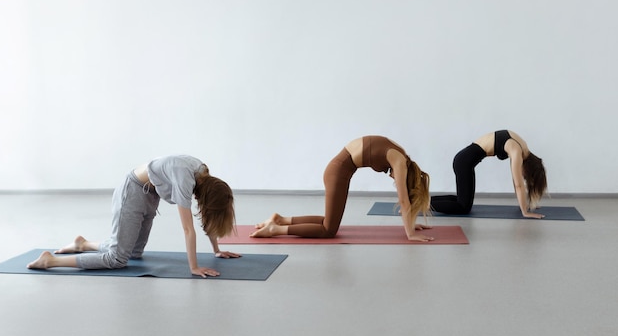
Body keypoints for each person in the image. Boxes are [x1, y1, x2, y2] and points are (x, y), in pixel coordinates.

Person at [27, 155, 240, 278]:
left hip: (150, 195)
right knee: (117, 259)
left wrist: (217, 250)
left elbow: (208, 212)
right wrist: (193, 267)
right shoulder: (186, 180)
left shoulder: (203, 173)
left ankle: (83, 244)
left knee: (135, 253)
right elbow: (187, 229)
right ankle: (50, 260)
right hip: (133, 192)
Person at [251, 136, 433, 241]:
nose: (392, 178)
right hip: (338, 173)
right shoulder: (400, 163)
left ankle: (281, 219)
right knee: (328, 230)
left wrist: (410, 223)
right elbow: (403, 200)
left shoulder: (400, 152)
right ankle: (275, 230)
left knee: (329, 220)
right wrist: (410, 234)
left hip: (338, 169)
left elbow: (405, 199)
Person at [430, 130, 547, 218]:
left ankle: (425, 200)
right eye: (527, 176)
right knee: (463, 207)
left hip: (465, 161)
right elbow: (518, 185)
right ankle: (424, 205)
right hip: (464, 162)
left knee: (463, 201)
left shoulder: (521, 146)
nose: (524, 177)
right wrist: (525, 212)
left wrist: (525, 204)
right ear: (529, 168)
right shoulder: (517, 152)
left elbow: (516, 182)